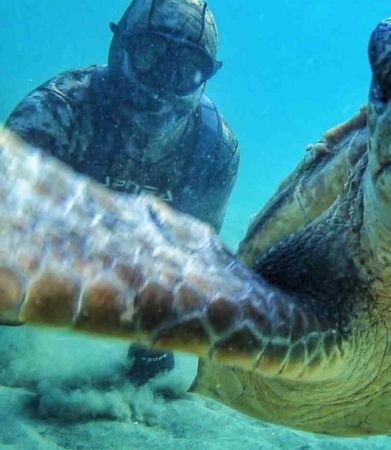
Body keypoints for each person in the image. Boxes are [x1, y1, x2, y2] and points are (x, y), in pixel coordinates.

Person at [5, 0, 240, 386]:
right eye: (150, 54)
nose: (162, 85)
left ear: (206, 75)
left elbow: (195, 259)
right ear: (120, 48)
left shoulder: (214, 150)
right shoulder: (55, 115)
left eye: (184, 68)